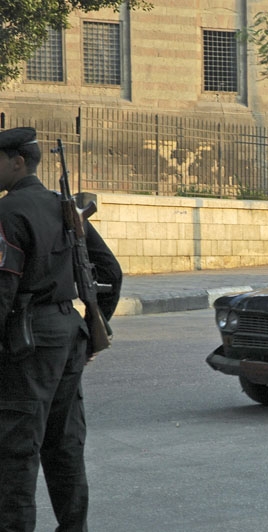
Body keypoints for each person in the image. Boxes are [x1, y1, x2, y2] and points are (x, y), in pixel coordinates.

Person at [0, 127, 122, 531]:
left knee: (16, 451)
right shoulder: (62, 206)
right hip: (68, 333)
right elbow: (111, 272)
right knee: (64, 445)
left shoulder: (8, 212)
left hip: (28, 339)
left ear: (17, 162)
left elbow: (3, 290)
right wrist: (93, 327)